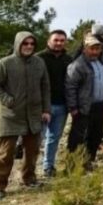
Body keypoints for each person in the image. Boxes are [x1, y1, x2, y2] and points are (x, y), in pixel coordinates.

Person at [0, 32, 50, 200]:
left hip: (34, 113)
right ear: (18, 44)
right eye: (25, 43)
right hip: (11, 115)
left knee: (32, 150)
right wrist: (8, 100)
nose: (29, 46)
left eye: (32, 43)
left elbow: (45, 87)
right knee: (5, 153)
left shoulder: (39, 63)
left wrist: (46, 110)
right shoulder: (5, 63)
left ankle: (28, 178)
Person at [66, 35, 103, 171]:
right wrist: (73, 107)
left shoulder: (102, 62)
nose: (95, 51)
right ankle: (71, 167)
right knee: (77, 138)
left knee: (96, 136)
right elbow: (70, 87)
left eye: (98, 48)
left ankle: (88, 162)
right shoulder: (78, 65)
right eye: (92, 48)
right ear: (85, 49)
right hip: (83, 108)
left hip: (100, 106)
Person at [37, 30, 72, 177]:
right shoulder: (39, 58)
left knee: (54, 138)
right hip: (42, 106)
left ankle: (48, 167)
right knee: (37, 139)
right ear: (48, 41)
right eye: (56, 40)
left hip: (62, 105)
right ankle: (29, 170)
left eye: (62, 40)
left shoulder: (68, 59)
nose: (59, 43)